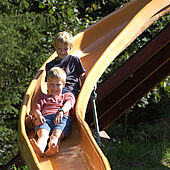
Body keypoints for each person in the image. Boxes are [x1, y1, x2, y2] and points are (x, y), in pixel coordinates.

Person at [30, 67, 75, 157]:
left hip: (62, 119)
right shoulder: (42, 97)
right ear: (47, 85)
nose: (54, 88)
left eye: (58, 85)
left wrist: (61, 111)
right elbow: (36, 108)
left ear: (63, 85)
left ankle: (52, 148)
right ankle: (40, 148)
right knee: (43, 134)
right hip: (45, 119)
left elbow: (69, 103)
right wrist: (38, 115)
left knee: (56, 135)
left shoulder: (66, 95)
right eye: (51, 84)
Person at [46, 31, 86, 99]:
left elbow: (82, 77)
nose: (62, 52)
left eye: (65, 49)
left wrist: (83, 92)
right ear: (55, 48)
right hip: (56, 91)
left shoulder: (74, 60)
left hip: (71, 91)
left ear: (70, 48)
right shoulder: (50, 65)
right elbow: (48, 83)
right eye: (59, 49)